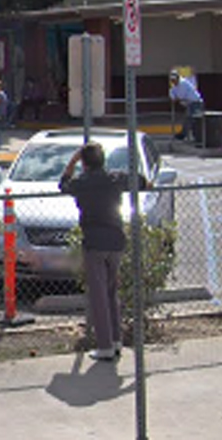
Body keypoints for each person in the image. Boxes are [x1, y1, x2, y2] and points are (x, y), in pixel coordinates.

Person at [59, 143, 136, 362]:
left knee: (99, 295)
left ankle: (105, 346)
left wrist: (71, 163)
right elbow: (140, 181)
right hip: (116, 240)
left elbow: (63, 185)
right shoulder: (114, 178)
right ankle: (116, 339)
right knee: (112, 292)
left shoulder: (82, 183)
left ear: (84, 163)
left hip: (94, 241)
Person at [170, 71, 204, 140]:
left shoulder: (183, 84)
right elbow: (172, 94)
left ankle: (189, 135)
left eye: (175, 80)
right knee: (189, 119)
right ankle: (189, 135)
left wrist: (177, 98)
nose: (174, 82)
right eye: (172, 80)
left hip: (195, 103)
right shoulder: (175, 87)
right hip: (190, 104)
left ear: (178, 78)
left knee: (193, 120)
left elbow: (181, 96)